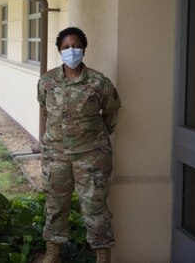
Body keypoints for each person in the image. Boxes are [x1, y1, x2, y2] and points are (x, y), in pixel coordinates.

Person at [37, 27, 120, 263]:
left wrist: (94, 137)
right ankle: (52, 254)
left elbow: (112, 112)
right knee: (55, 206)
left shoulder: (98, 82)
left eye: (75, 46)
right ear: (59, 51)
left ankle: (102, 255)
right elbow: (45, 110)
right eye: (65, 47)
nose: (71, 51)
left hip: (92, 158)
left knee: (95, 209)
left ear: (84, 49)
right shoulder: (47, 81)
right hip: (56, 157)